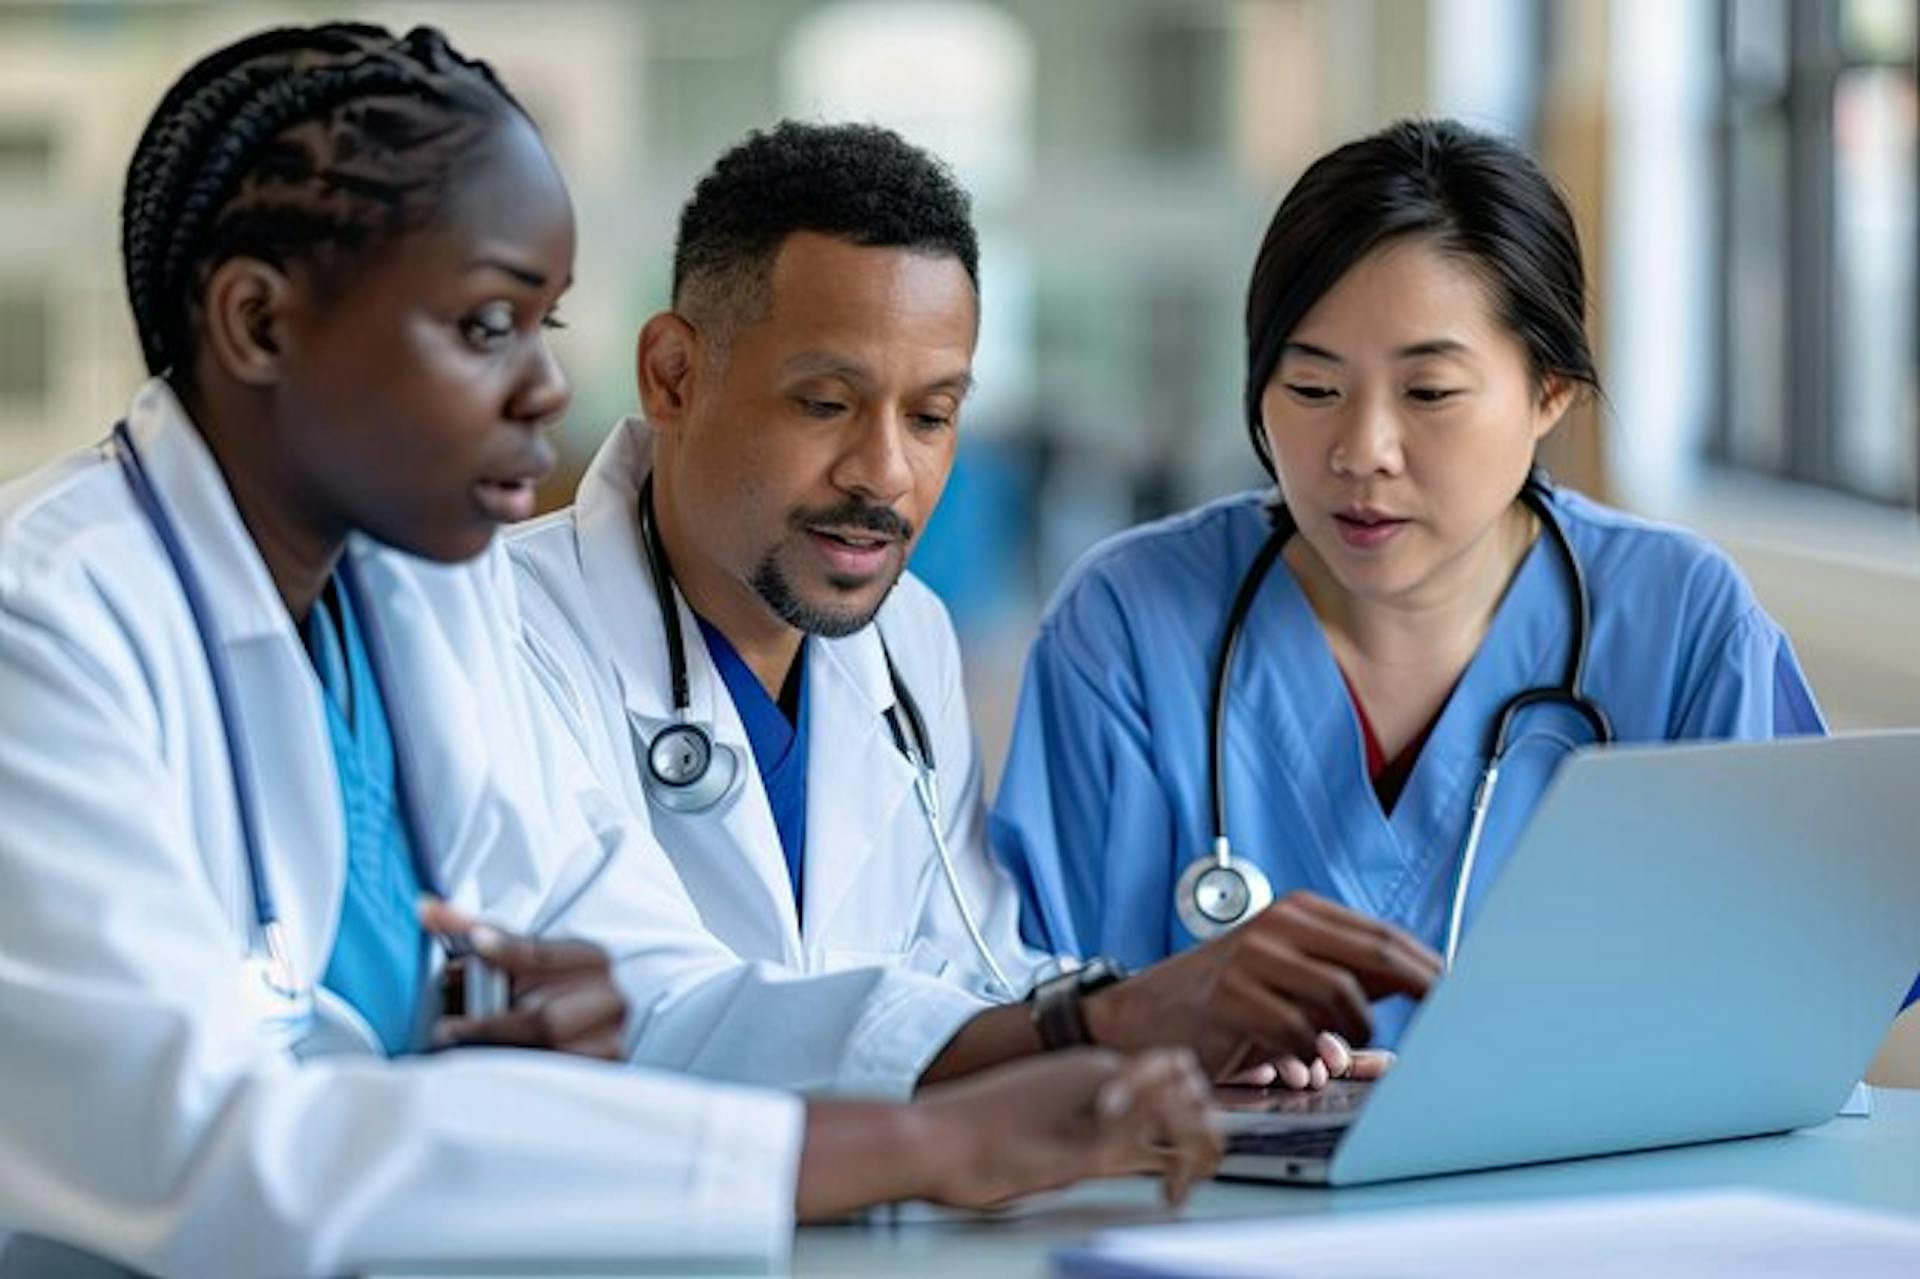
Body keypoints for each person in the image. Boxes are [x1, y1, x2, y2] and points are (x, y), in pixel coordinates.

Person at [0, 25, 1221, 1276]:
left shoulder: (416, 595)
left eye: (546, 323)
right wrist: (923, 1150)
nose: (546, 386)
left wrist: (1059, 1042)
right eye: (486, 325)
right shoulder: (46, 622)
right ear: (258, 323)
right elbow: (215, 1154)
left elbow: (658, 994)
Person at [508, 120, 1442, 1090]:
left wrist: (1179, 1039)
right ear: (673, 375)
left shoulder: (906, 640)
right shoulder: (508, 628)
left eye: (931, 416)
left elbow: (973, 973)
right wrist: (1103, 1025)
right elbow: (645, 1011)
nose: (885, 474)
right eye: (826, 403)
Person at [990, 118, 1838, 1068]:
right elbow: (1034, 1004)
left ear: (1549, 392)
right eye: (1312, 390)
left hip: (1586, 1201)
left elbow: (1786, 999)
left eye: (1429, 393)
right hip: (1209, 1200)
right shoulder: (1130, 623)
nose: (1362, 452)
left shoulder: (1682, 623)